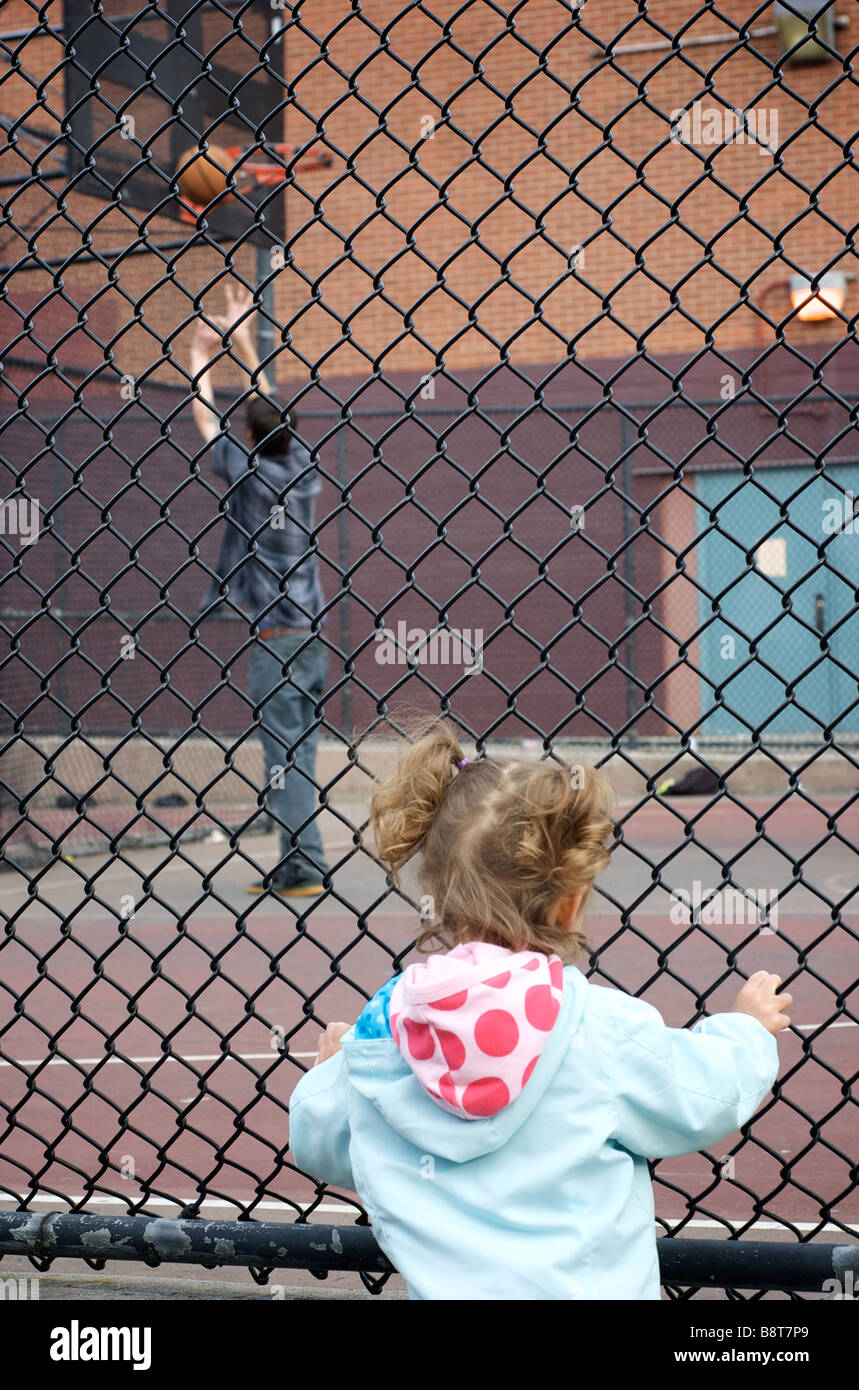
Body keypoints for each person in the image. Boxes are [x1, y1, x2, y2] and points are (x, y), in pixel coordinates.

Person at [288, 718, 791, 1300]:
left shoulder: (390, 1032)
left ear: (439, 895)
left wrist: (327, 1076)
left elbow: (324, 1139)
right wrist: (746, 1031)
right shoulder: (594, 1026)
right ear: (569, 904)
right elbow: (703, 1095)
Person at [189, 285, 329, 896]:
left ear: (248, 437)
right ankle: (305, 857)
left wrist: (200, 355)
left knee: (284, 757)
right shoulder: (299, 470)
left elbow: (207, 417)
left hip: (276, 639)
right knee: (299, 753)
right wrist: (245, 343)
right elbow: (269, 413)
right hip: (312, 638)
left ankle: (302, 866)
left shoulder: (246, 475)